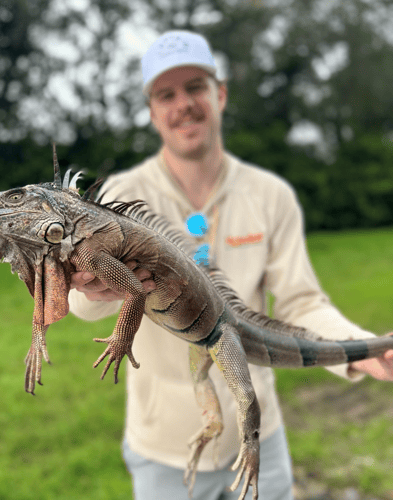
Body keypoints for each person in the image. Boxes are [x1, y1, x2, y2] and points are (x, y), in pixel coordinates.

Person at [67, 31, 393, 500]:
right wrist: (90, 287)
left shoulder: (270, 194)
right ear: (152, 111)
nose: (183, 104)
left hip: (263, 439)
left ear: (219, 95)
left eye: (195, 87)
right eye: (167, 94)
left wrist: (360, 348)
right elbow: (86, 307)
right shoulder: (118, 194)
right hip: (164, 449)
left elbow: (301, 300)